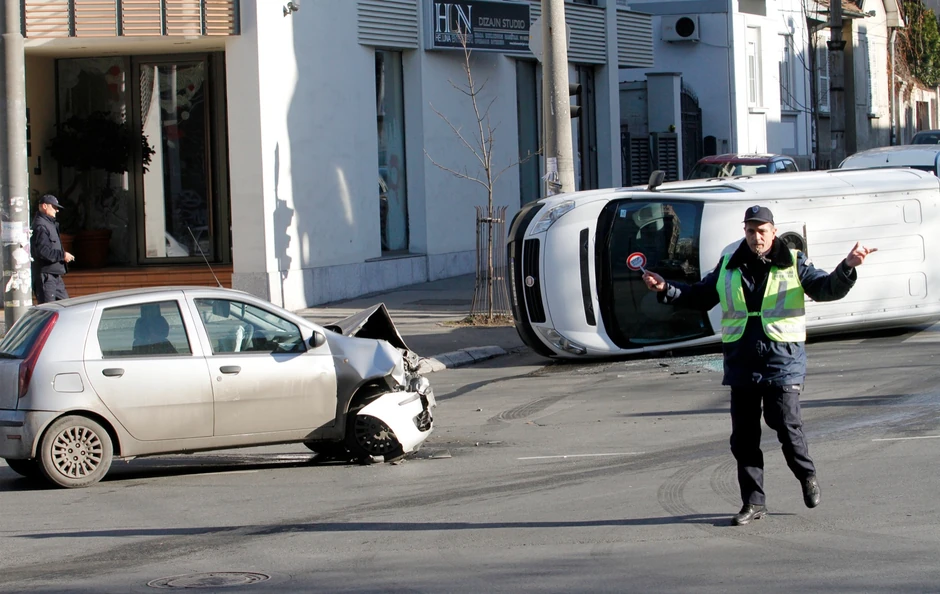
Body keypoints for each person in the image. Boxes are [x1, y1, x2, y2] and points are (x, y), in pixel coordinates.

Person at [642, 205, 877, 526]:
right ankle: (753, 502)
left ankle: (806, 475)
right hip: (742, 362)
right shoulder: (728, 264)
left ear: (773, 231)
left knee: (784, 423)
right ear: (745, 232)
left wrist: (847, 267)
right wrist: (666, 288)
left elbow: (825, 288)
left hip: (783, 359)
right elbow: (700, 296)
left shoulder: (793, 262)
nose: (756, 237)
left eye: (762, 231)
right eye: (750, 231)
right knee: (744, 438)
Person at [30, 194, 75, 304]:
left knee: (66, 306)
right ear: (45, 206)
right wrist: (63, 255)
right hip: (46, 276)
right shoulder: (41, 225)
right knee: (49, 311)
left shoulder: (48, 224)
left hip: (54, 275)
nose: (57, 210)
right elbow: (42, 251)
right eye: (54, 207)